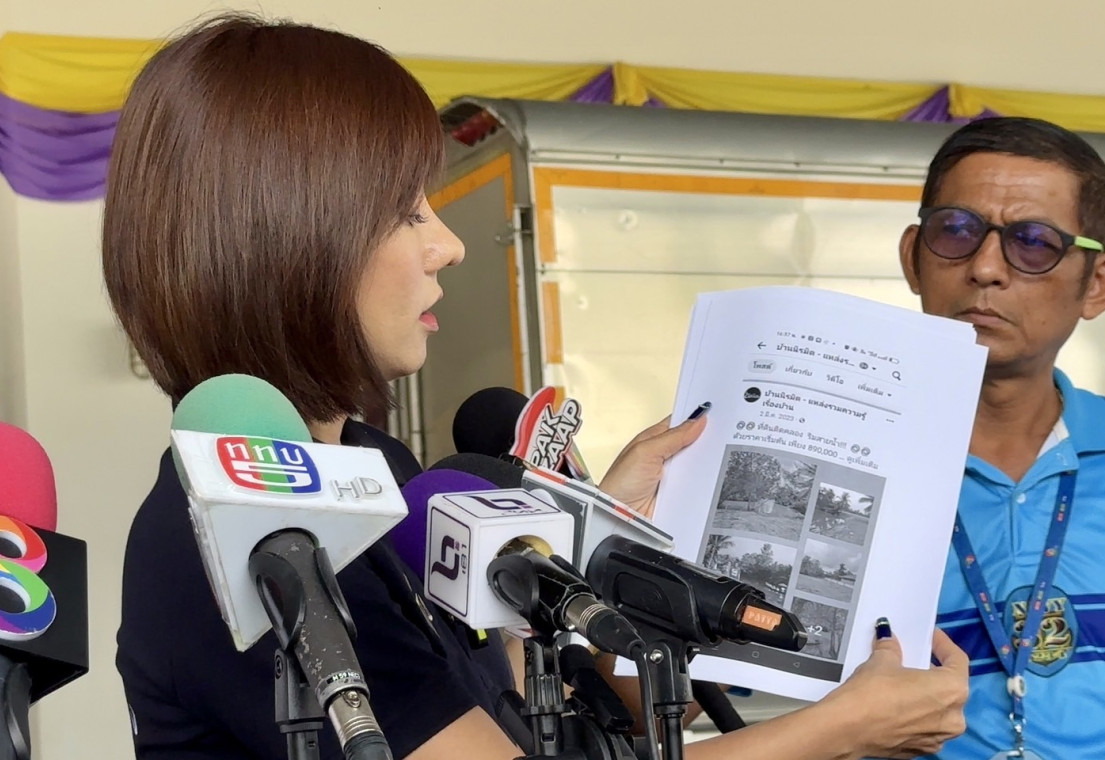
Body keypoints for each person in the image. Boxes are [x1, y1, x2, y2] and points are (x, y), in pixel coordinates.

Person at [105, 14, 968, 760]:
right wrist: (845, 727)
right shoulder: (249, 539)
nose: (448, 246)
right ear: (290, 237)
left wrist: (596, 528)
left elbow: (500, 705)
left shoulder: (371, 468)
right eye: (406, 212)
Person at [898, 116, 1105, 759]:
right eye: (956, 231)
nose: (985, 269)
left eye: (1033, 243)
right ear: (913, 257)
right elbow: (664, 706)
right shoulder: (831, 465)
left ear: (1098, 284)